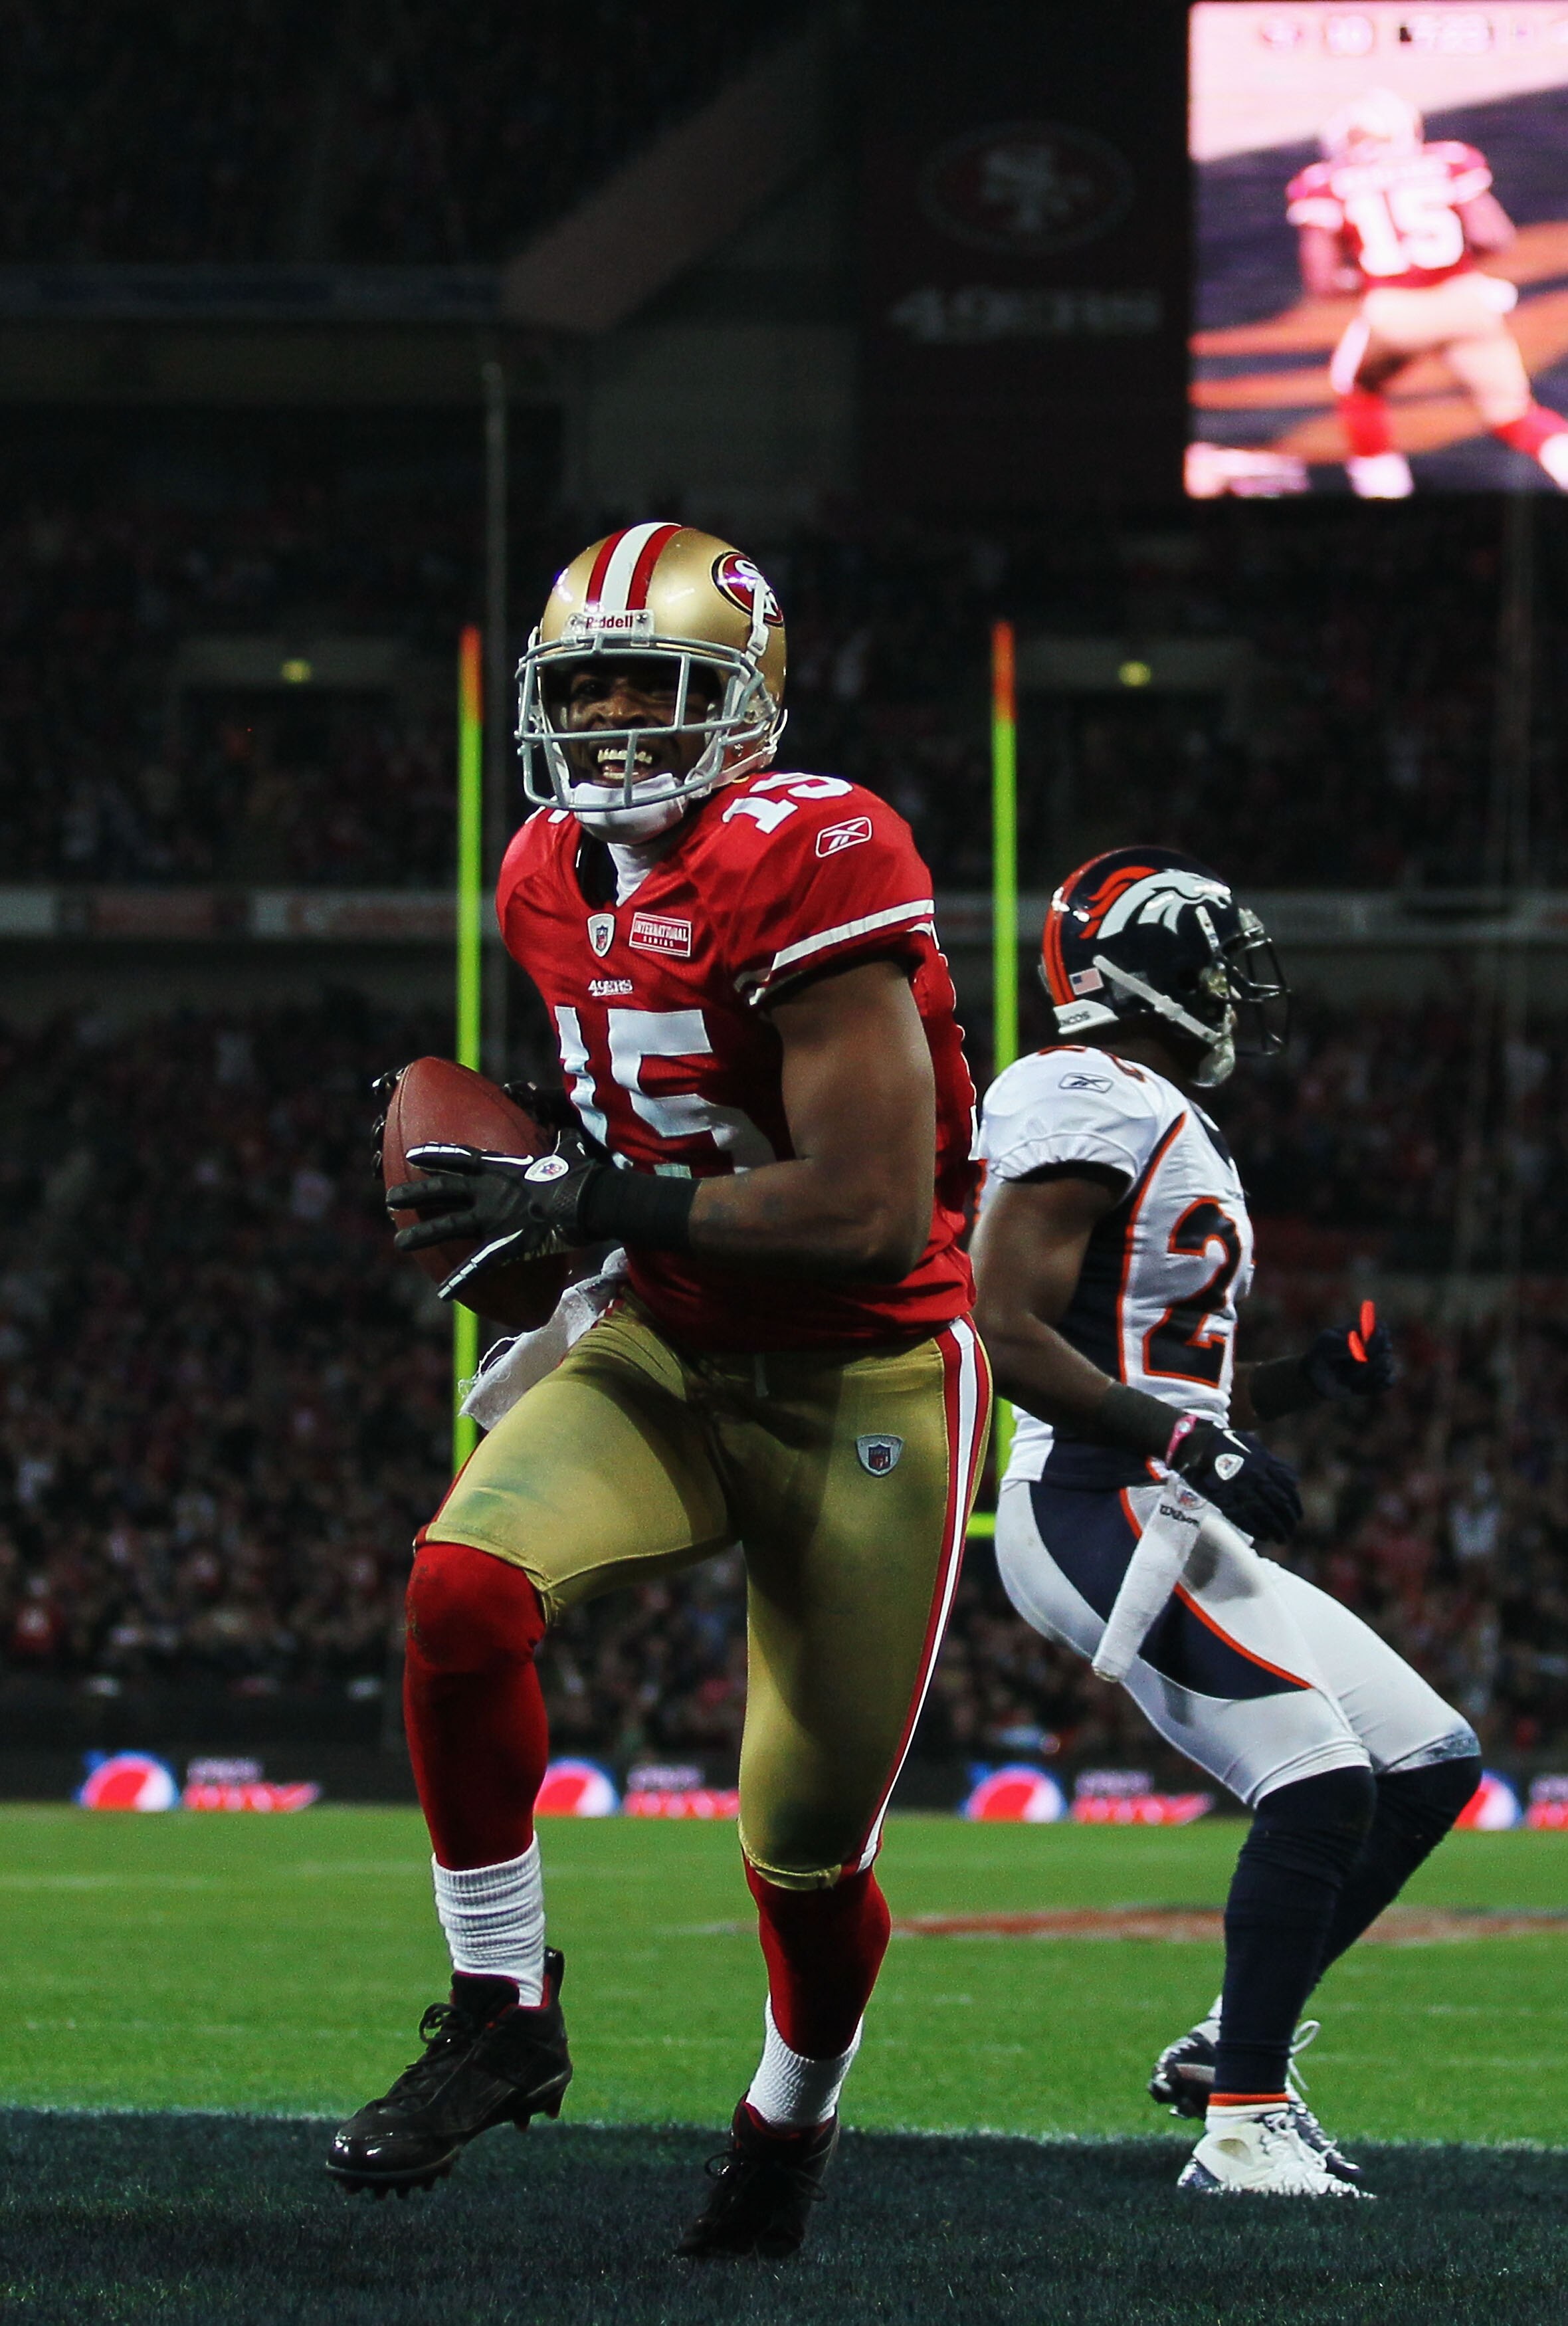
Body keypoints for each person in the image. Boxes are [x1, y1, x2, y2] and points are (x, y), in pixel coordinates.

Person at [328, 523, 990, 2256]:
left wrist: (588, 1196)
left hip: (869, 1371)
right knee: (459, 1585)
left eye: (655, 682)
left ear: (747, 697)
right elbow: (623, 1135)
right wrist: (548, 1204)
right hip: (672, 1335)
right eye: (588, 686)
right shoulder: (542, 869)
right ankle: (500, 2006)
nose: (616, 720)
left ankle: (790, 2114)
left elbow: (864, 1205)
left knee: (801, 1847)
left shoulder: (824, 851)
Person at [971, 847, 1480, 2198]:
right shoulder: (1080, 1086)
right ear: (1138, 972)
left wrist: (1294, 1386)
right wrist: (1184, 1435)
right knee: (1316, 1779)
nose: (1234, 989)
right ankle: (1243, 2121)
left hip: (1157, 1488)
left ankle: (1226, 2047)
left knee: (1428, 1759)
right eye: (1211, 960)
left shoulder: (1158, 1111)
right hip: (1088, 1496)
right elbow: (1002, 1326)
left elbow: (1161, 1371)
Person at [1288, 87, 1568, 497]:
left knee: (1357, 390)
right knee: (1513, 412)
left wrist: (1368, 278)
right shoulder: (1447, 161)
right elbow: (1493, 237)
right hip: (1466, 298)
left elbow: (1322, 283)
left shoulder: (1326, 183)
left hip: (1394, 308)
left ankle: (1383, 494)